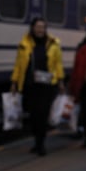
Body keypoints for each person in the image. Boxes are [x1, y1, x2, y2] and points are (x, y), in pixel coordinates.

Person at [10, 17, 65, 156]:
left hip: (46, 86)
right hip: (30, 85)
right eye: (38, 26)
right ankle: (36, 142)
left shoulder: (53, 44)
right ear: (33, 28)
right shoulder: (24, 44)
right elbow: (18, 65)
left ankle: (41, 144)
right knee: (33, 116)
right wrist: (14, 82)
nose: (40, 29)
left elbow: (58, 64)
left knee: (43, 114)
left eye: (42, 27)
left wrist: (60, 80)